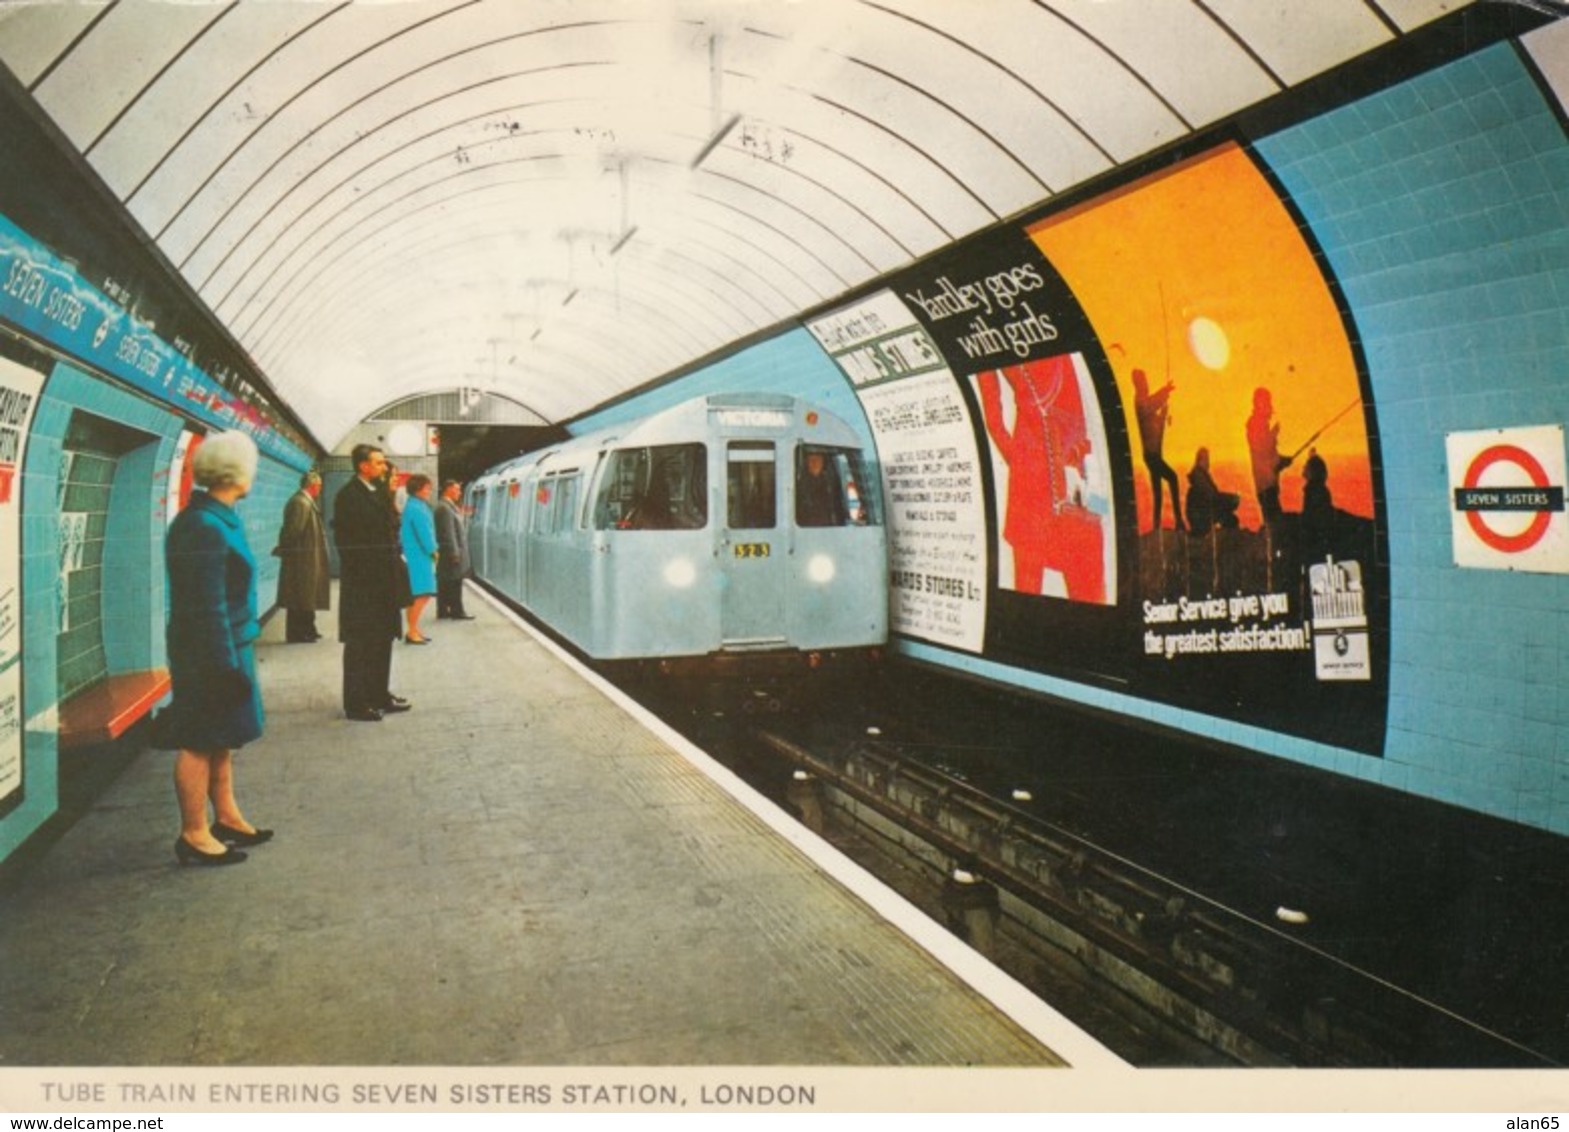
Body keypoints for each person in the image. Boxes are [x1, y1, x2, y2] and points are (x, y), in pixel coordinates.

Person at [159, 430, 272, 867]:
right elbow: (205, 605)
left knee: (223, 738)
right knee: (200, 740)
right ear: (237, 472)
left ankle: (225, 817)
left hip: (227, 644)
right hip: (209, 650)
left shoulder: (217, 517)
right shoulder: (204, 527)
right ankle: (193, 833)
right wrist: (224, 667)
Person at [333, 444, 412, 722]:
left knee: (382, 641)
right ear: (363, 466)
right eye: (378, 463)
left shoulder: (377, 494)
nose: (383, 467)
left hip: (383, 585)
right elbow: (347, 544)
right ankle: (356, 704)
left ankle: (379, 694)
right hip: (363, 587)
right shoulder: (349, 497)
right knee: (360, 645)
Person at [273, 470, 329, 642]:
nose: (320, 489)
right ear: (312, 486)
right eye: (319, 486)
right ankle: (298, 633)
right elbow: (293, 530)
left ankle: (308, 629)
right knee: (299, 595)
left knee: (306, 594)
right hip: (302, 558)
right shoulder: (300, 503)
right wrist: (285, 548)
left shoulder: (305, 501)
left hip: (307, 556)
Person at [1132, 368, 1183, 532]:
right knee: (1172, 478)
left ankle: (1156, 526)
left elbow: (1156, 424)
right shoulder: (1140, 401)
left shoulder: (1144, 401)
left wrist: (1163, 414)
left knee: (1158, 492)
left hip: (1154, 453)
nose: (1146, 383)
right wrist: (1165, 391)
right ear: (1138, 383)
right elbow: (1151, 405)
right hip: (1152, 454)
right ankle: (1179, 521)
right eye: (1143, 380)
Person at [399, 474, 438, 644]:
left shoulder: (415, 505)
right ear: (418, 489)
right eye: (427, 487)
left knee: (417, 595)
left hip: (415, 554)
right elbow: (425, 533)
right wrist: (434, 550)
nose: (430, 490)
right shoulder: (417, 508)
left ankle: (413, 629)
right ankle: (411, 631)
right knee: (422, 594)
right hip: (419, 556)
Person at [1246, 386, 1292, 528]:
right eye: (1266, 401)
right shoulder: (1254, 424)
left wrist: (1281, 461)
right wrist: (1274, 433)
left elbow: (1269, 455)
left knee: (1273, 522)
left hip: (1268, 483)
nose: (1269, 406)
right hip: (1265, 484)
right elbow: (1262, 449)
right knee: (1274, 524)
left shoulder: (1260, 424)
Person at [435, 479, 474, 620]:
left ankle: (444, 610)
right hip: (452, 552)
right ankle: (457, 611)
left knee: (447, 581)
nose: (459, 492)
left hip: (451, 551)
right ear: (448, 490)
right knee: (454, 582)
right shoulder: (445, 508)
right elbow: (448, 532)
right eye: (457, 489)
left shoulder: (447, 506)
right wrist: (455, 553)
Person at [1185, 447, 1240, 534]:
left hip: (1203, 514)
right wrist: (1231, 499)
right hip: (1201, 517)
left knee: (1231, 519)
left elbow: (1213, 496)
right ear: (1199, 460)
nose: (1208, 462)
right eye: (1206, 459)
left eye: (1208, 459)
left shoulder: (1202, 476)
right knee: (1230, 516)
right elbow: (1212, 497)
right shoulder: (1199, 477)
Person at [796, 450, 847, 527]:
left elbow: (838, 510)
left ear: (823, 462)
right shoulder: (799, 487)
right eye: (811, 460)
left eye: (818, 459)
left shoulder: (831, 485)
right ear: (806, 463)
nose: (815, 463)